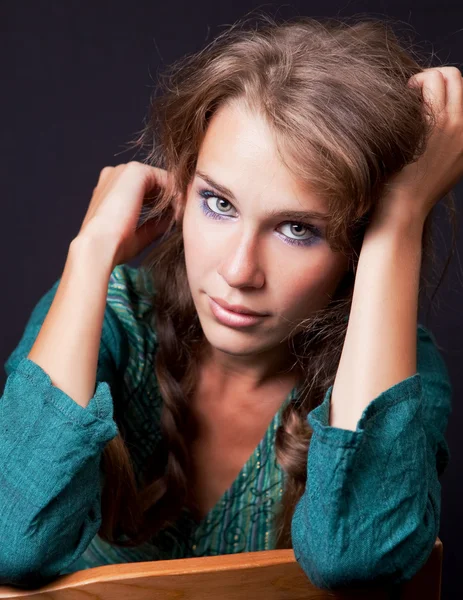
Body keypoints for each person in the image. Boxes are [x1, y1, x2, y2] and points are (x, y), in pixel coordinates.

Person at [0, 13, 461, 590]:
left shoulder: (399, 373)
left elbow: (358, 560)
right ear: (182, 185)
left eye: (298, 229)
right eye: (219, 203)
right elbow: (10, 540)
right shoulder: (110, 318)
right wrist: (90, 251)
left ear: (357, 241)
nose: (239, 271)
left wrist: (399, 223)